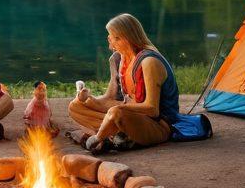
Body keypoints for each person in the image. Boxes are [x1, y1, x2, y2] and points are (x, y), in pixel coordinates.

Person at [67, 13, 180, 153]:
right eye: (109, 37)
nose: (110, 41)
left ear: (127, 38)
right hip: (128, 114)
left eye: (114, 37)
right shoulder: (118, 59)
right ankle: (118, 135)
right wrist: (88, 99)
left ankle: (103, 136)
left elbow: (152, 109)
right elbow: (110, 98)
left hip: (157, 124)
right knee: (75, 106)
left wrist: (116, 111)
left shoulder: (149, 62)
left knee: (117, 113)